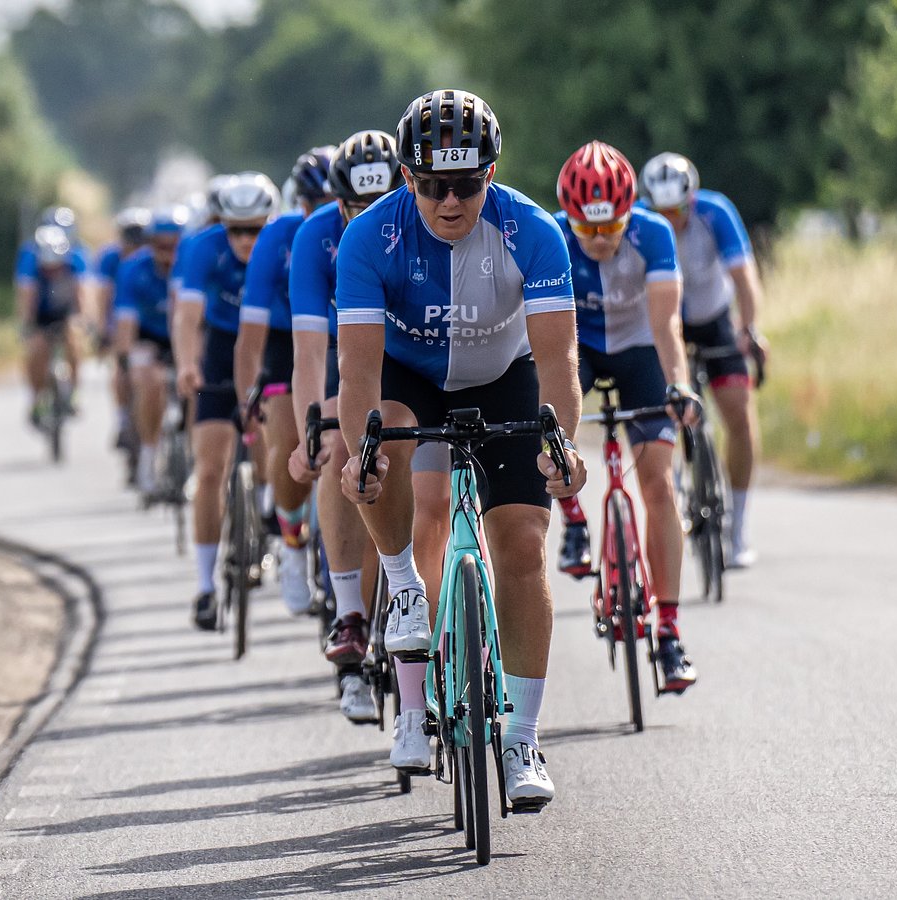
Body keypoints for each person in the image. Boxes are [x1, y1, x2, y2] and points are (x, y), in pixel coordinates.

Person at [336, 89, 587, 809]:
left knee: (523, 544)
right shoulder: (370, 238)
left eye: (467, 184)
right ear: (406, 178)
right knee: (380, 447)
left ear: (491, 173)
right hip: (410, 380)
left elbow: (558, 360)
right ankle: (404, 591)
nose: (450, 202)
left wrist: (562, 448)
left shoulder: (532, 230)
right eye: (433, 185)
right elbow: (357, 372)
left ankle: (523, 739)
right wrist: (359, 457)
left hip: (505, 378)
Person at [552, 141, 701, 694]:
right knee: (547, 422)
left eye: (610, 227)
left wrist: (679, 383)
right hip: (580, 351)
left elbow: (667, 326)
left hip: (641, 352)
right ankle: (574, 520)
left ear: (629, 213)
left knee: (659, 485)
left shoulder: (653, 234)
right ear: (569, 219)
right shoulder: (553, 237)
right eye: (586, 229)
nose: (598, 239)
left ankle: (669, 631)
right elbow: (543, 338)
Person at [287, 130, 400, 725]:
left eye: (382, 203)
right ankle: (351, 613)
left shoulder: (423, 222)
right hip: (343, 353)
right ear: (337, 203)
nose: (371, 218)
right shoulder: (316, 237)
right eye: (357, 208)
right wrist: (312, 429)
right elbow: (309, 351)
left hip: (408, 352)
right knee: (338, 444)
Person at [639, 153, 769, 567]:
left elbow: (744, 278)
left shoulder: (715, 212)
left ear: (690, 200)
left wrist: (749, 329)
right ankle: (676, 484)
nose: (670, 220)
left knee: (739, 415)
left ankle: (738, 528)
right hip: (665, 324)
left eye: (677, 210)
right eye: (661, 212)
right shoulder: (639, 222)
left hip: (713, 321)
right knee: (665, 412)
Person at [173, 172, 281, 630]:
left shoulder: (284, 243)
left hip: (272, 346)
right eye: (235, 229)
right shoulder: (204, 247)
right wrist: (186, 363)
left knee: (273, 443)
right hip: (221, 347)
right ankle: (204, 585)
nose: (245, 240)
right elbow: (187, 316)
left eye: (254, 229)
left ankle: (270, 510)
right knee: (210, 469)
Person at [235, 148, 337, 617]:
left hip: (348, 335)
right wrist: (247, 404)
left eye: (332, 200)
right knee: (291, 436)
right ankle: (293, 546)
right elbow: (250, 336)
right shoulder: (277, 237)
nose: (324, 211)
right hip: (286, 337)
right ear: (300, 202)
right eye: (313, 203)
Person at [112, 208, 187, 495]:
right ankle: (148, 454)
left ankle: (194, 452)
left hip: (184, 335)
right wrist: (125, 360)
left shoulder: (191, 264)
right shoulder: (133, 268)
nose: (167, 252)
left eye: (173, 245)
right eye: (160, 245)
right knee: (149, 382)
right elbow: (125, 321)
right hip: (149, 336)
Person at [15, 213, 90, 426]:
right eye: (47, 267)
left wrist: (83, 320)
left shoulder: (76, 258)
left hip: (66, 312)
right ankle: (36, 398)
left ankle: (73, 393)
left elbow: (82, 294)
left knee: (74, 342)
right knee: (36, 350)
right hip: (41, 314)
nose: (52, 271)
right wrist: (27, 325)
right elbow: (27, 296)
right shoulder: (30, 258)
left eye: (56, 266)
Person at [101, 208, 153, 463]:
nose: (134, 246)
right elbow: (102, 295)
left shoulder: (153, 260)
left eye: (140, 240)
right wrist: (104, 329)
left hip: (151, 322)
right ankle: (123, 418)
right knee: (121, 368)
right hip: (123, 319)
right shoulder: (111, 259)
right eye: (130, 240)